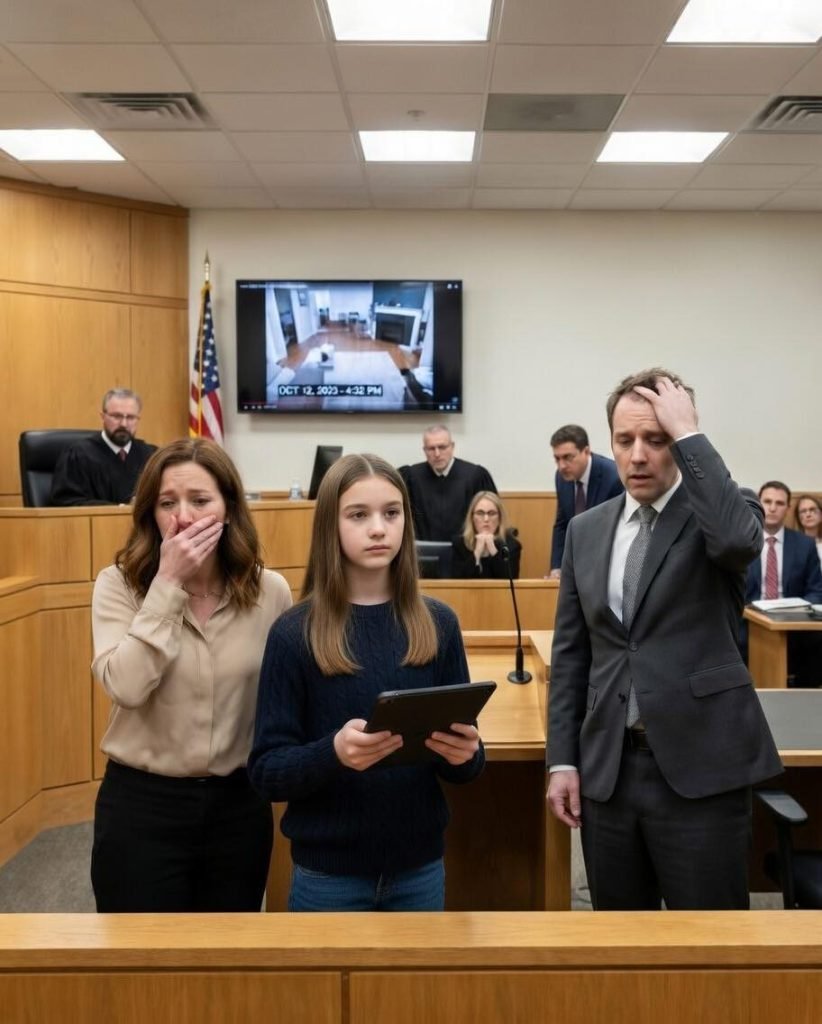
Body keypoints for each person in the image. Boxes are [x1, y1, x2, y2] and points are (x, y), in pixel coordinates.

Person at [547, 368, 781, 911]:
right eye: (624, 440)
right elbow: (573, 655)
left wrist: (690, 434)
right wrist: (563, 760)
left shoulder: (723, 511)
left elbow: (737, 542)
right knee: (620, 941)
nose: (637, 456)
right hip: (609, 773)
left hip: (702, 772)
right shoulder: (586, 530)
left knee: (709, 943)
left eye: (656, 439)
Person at [249, 453, 485, 912]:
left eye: (391, 513)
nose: (379, 529)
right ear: (330, 526)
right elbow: (267, 771)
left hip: (419, 868)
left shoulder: (439, 623)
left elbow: (463, 762)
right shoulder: (294, 633)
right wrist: (333, 753)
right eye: (359, 515)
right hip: (328, 876)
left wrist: (467, 755)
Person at [90, 438, 292, 912]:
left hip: (237, 805)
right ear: (150, 514)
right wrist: (167, 584)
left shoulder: (270, 591)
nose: (182, 517)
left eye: (200, 500)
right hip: (142, 804)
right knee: (139, 951)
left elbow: (283, 701)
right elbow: (127, 687)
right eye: (167, 503)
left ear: (229, 510)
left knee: (226, 952)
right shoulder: (117, 585)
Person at [743, 481, 822, 685]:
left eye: (779, 503)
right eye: (767, 501)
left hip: (792, 623)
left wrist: (797, 614)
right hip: (748, 621)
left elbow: (816, 590)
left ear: (787, 508)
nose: (772, 508)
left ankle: (804, 698)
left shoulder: (805, 545)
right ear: (758, 504)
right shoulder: (742, 541)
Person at [50, 388, 157, 506]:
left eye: (131, 417)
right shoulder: (78, 455)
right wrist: (117, 510)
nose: (124, 424)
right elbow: (66, 501)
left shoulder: (151, 456)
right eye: (117, 416)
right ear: (103, 416)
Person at [548, 424, 623, 577]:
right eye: (557, 459)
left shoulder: (614, 476)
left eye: (568, 457)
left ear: (586, 452)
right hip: (576, 560)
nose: (561, 466)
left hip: (607, 563)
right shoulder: (561, 478)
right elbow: (562, 524)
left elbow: (617, 531)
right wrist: (557, 567)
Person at [401, 425, 497, 542]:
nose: (437, 453)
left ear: (452, 446)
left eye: (442, 447)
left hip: (466, 549)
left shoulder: (475, 476)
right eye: (431, 448)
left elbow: (493, 518)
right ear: (424, 450)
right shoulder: (411, 477)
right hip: (423, 550)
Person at [451, 491, 521, 579]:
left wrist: (493, 550)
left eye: (492, 513)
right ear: (472, 518)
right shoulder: (460, 544)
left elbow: (510, 581)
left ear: (500, 518)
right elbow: (457, 581)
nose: (486, 519)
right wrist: (476, 554)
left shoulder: (511, 546)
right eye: (480, 513)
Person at [796, 494, 822, 567]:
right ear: (798, 517)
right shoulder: (793, 545)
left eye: (812, 510)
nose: (808, 514)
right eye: (803, 511)